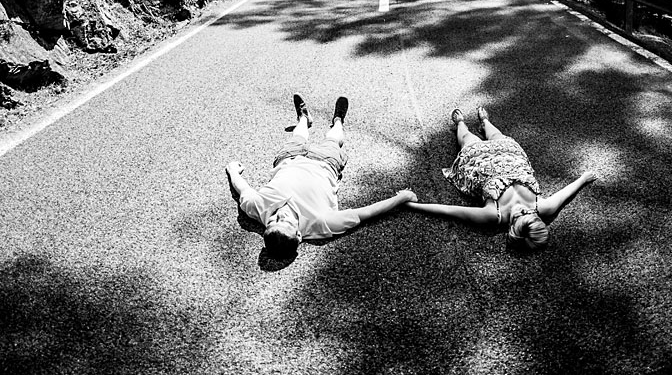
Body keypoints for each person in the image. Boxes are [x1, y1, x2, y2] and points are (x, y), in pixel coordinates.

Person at [226, 93, 417, 260]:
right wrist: (401, 198)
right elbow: (365, 213)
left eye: (273, 221)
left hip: (289, 158)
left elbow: (242, 188)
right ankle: (338, 120)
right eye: (285, 223)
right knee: (333, 139)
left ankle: (303, 118)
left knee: (297, 137)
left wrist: (233, 171)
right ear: (299, 235)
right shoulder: (321, 223)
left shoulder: (256, 209)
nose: (280, 216)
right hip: (324, 163)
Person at [407, 106, 597, 250]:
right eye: (530, 214)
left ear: (512, 226)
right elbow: (565, 193)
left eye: (520, 216)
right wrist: (582, 179)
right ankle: (485, 122)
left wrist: (412, 205)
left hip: (480, 163)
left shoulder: (494, 215)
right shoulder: (544, 207)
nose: (524, 210)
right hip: (510, 158)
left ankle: (460, 123)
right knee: (498, 135)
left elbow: (449, 211)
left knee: (467, 139)